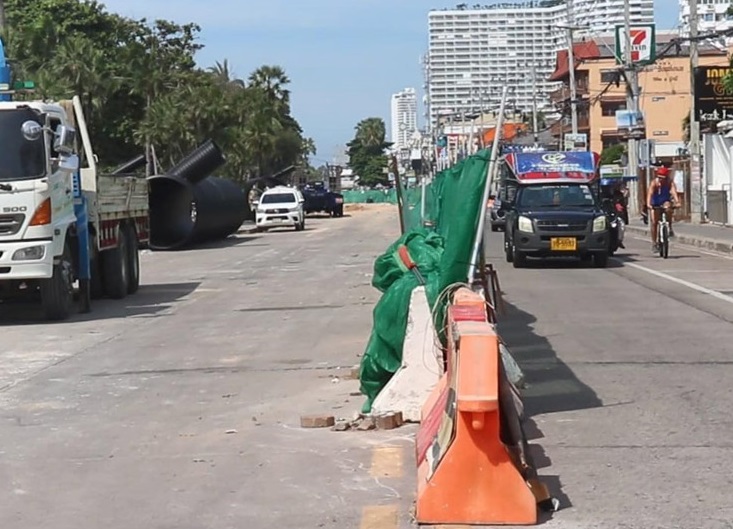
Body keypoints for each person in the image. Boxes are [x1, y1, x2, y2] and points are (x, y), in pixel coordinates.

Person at [646, 165, 680, 252]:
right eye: (660, 177)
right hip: (655, 203)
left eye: (663, 178)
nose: (661, 179)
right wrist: (648, 204)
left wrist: (677, 201)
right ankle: (654, 243)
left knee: (668, 208)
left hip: (665, 201)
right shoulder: (654, 183)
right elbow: (649, 194)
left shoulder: (669, 183)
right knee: (654, 222)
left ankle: (670, 227)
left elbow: (673, 192)